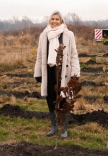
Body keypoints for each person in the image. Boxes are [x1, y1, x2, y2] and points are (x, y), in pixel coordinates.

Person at [34, 11, 80, 139]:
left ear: (61, 21)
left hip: (64, 72)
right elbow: (39, 55)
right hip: (49, 72)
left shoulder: (68, 34)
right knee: (50, 98)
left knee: (64, 98)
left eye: (57, 19)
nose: (54, 21)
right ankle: (53, 126)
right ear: (49, 21)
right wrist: (38, 73)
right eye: (52, 19)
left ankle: (63, 128)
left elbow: (74, 55)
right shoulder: (44, 35)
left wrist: (75, 74)